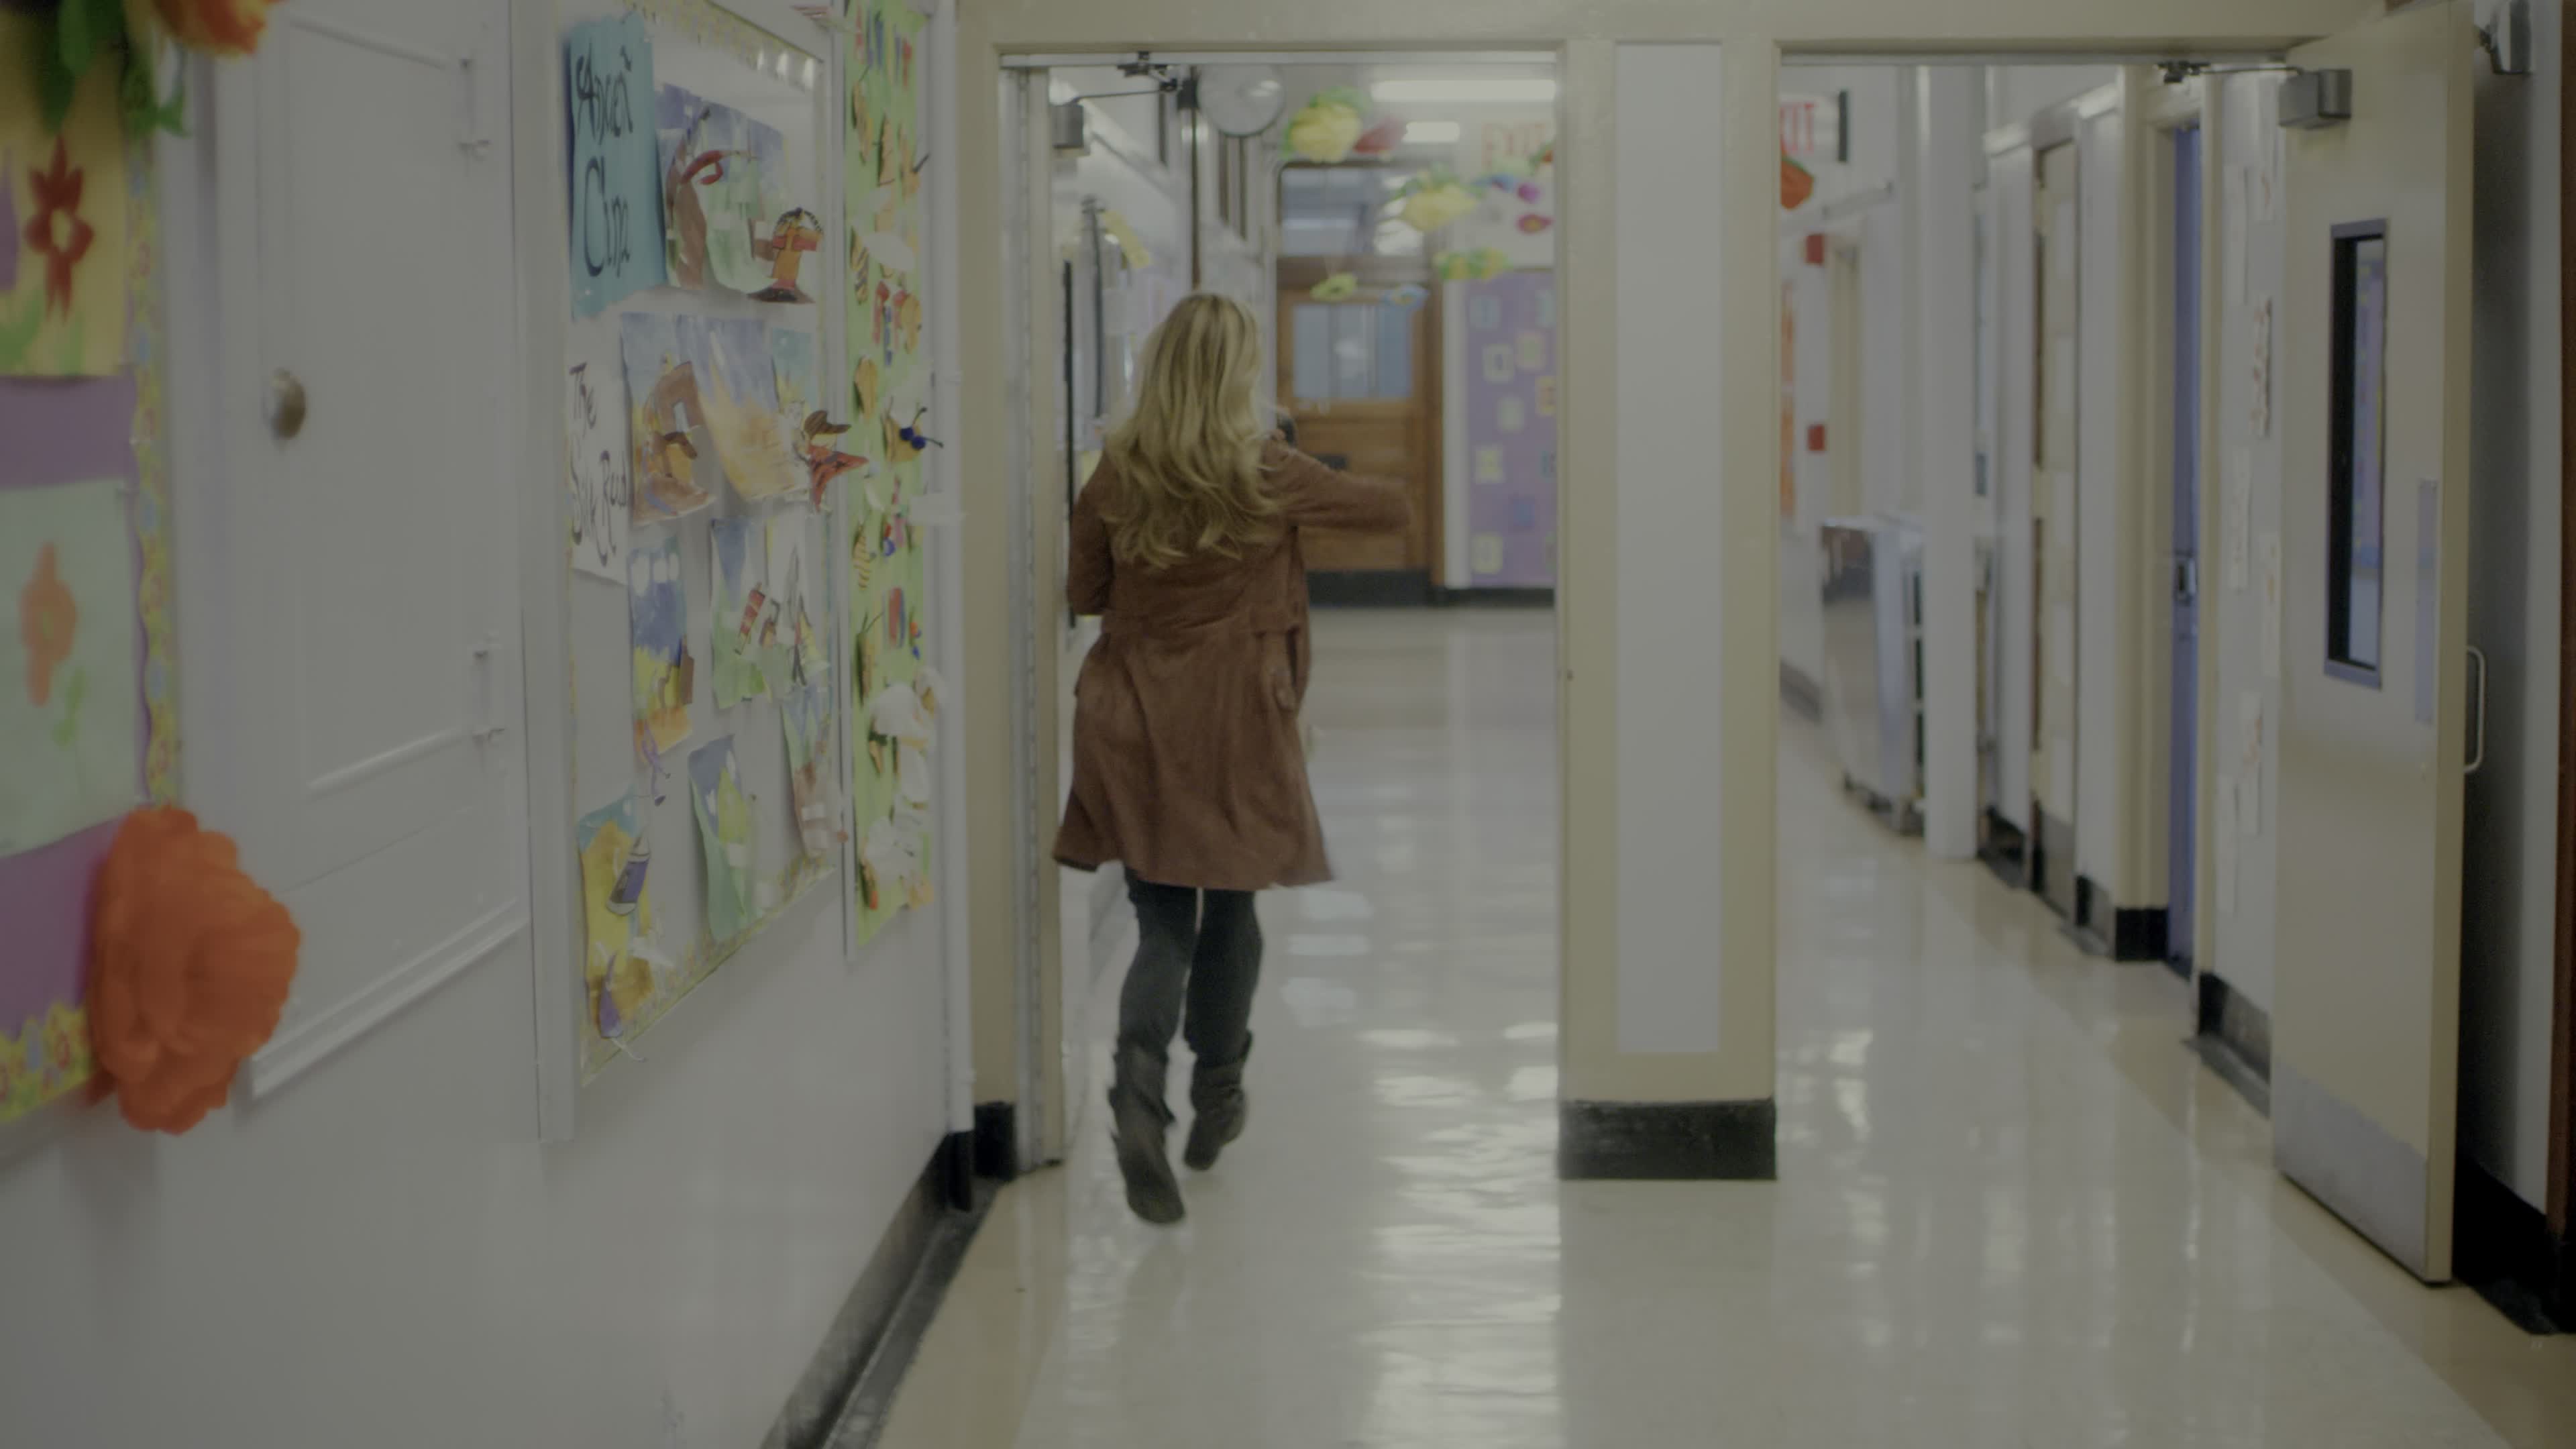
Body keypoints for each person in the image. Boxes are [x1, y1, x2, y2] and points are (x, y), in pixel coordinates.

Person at [1055, 292, 1409, 1224]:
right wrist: (1297, 458)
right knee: (1234, 908)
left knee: (1161, 915)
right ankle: (1219, 1094)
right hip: (1240, 718)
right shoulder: (1268, 467)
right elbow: (1386, 510)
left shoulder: (1118, 469)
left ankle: (1137, 1092)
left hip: (1135, 712)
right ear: (1240, 376)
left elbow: (1085, 589)